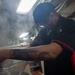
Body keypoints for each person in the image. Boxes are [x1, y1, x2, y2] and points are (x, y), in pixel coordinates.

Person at [0, 2, 75, 75]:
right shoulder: (46, 30)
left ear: (54, 12)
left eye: (46, 21)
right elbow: (32, 46)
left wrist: (7, 53)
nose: (45, 26)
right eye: (42, 24)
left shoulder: (69, 25)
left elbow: (52, 52)